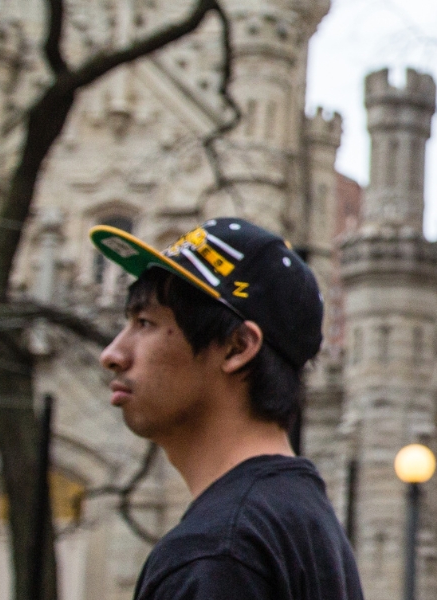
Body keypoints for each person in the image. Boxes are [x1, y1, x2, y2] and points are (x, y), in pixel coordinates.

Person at [91, 218, 364, 600]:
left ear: (237, 347)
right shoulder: (305, 521)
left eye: (145, 323)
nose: (112, 354)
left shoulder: (218, 552)